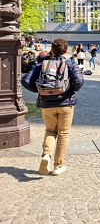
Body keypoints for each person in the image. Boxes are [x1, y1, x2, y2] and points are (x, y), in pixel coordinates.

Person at [21, 38, 84, 176]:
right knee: (63, 133)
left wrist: (41, 90)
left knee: (50, 130)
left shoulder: (42, 64)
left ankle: (46, 156)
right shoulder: (70, 64)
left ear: (52, 50)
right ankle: (58, 166)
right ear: (66, 51)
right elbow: (79, 82)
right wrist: (68, 88)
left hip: (47, 104)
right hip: (65, 103)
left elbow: (25, 81)